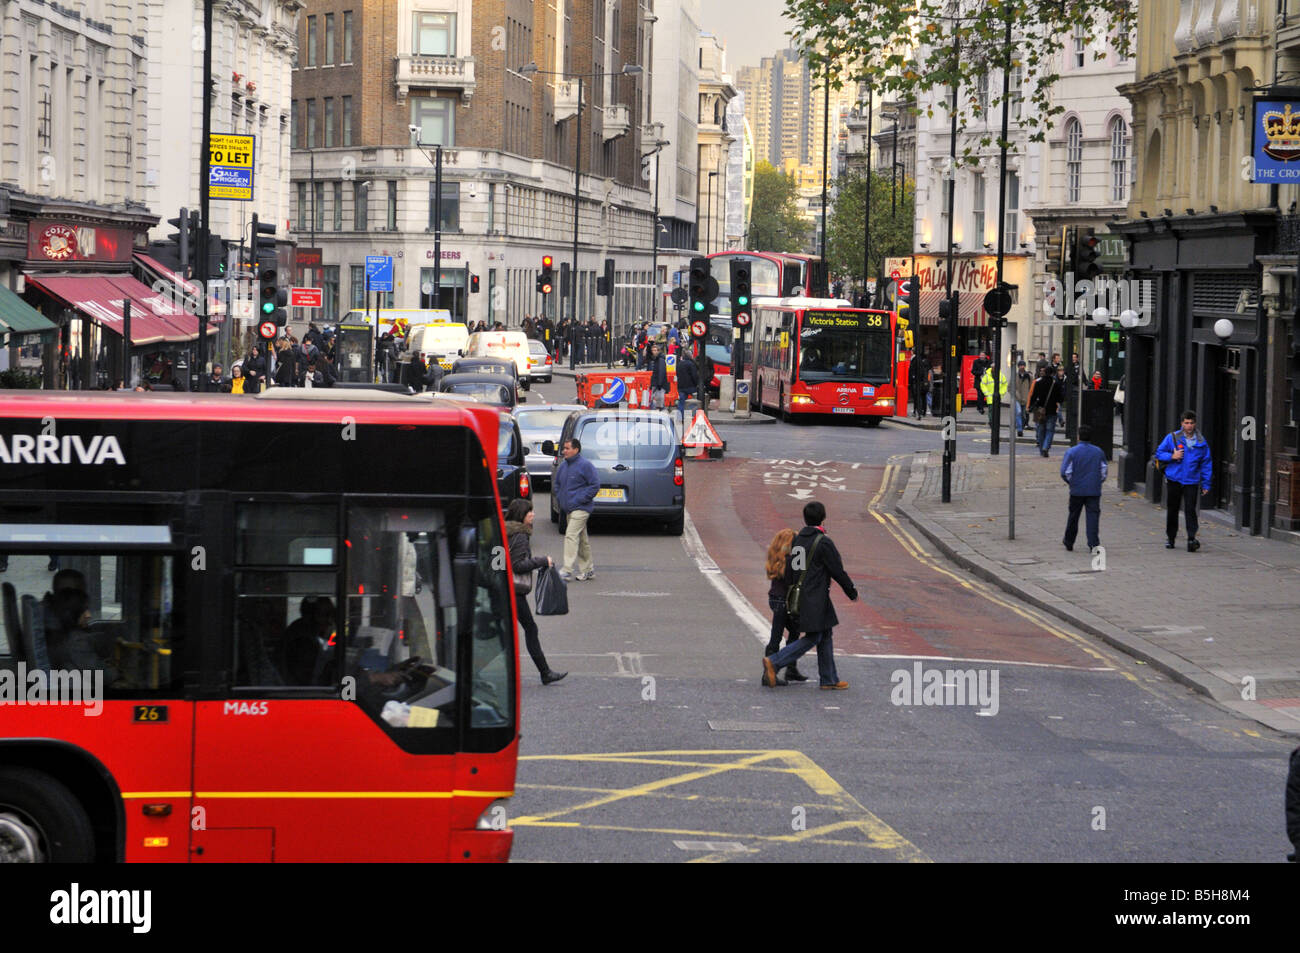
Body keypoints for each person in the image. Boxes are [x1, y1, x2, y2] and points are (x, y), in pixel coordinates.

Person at [761, 501, 858, 691]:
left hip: (801, 595)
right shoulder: (824, 542)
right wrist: (851, 590)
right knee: (814, 636)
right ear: (822, 517)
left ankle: (829, 678)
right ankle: (774, 662)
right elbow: (837, 570)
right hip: (816, 598)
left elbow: (796, 570)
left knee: (826, 633)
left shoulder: (798, 541)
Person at [505, 499, 566, 685]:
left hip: (502, 588)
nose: (533, 515)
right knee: (530, 628)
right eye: (529, 512)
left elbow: (498, 561)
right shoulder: (521, 536)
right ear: (521, 516)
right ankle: (545, 673)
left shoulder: (504, 531)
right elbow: (518, 565)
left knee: (500, 632)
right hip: (514, 592)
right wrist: (541, 561)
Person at [1155, 410, 1212, 551]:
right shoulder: (1172, 437)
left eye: (1192, 423)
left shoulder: (1201, 442)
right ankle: (1171, 538)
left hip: (1191, 481)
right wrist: (1172, 456)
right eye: (1186, 423)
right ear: (1182, 423)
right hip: (1174, 479)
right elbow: (1159, 453)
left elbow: (1206, 463)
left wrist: (1206, 483)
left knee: (1190, 510)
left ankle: (1191, 538)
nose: (1189, 426)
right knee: (1172, 510)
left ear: (1195, 423)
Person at [763, 529, 807, 683]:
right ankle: (770, 673)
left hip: (775, 598)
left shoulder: (776, 557)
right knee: (785, 635)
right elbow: (799, 578)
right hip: (785, 601)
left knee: (791, 633)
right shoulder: (791, 560)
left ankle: (790, 669)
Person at [553, 437, 598, 581]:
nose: (564, 451)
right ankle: (588, 569)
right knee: (582, 540)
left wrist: (579, 499)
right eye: (564, 448)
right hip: (569, 509)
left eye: (567, 448)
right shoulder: (563, 467)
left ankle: (567, 569)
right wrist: (561, 499)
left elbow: (594, 485)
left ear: (576, 449)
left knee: (571, 535)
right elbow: (557, 485)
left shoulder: (586, 465)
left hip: (581, 508)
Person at [1060, 423, 1107, 552]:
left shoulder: (1072, 452)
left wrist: (1072, 483)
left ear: (1078, 436)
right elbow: (1103, 471)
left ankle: (1069, 541)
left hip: (1077, 490)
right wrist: (1097, 482)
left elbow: (1065, 472)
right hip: (1093, 489)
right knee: (1093, 516)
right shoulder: (1098, 451)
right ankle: (1093, 543)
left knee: (1073, 516)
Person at [1026, 364, 1063, 457]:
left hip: (1039, 410)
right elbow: (1060, 398)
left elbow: (1033, 396)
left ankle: (1042, 449)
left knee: (1040, 430)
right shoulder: (1056, 384)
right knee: (1050, 430)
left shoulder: (1038, 383)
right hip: (1052, 410)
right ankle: (1046, 447)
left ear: (1044, 372)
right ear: (1052, 373)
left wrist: (1030, 406)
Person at [979, 360, 1008, 433]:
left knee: (997, 411)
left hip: (998, 397)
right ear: (991, 368)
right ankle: (991, 422)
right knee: (991, 411)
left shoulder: (1001, 375)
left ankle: (995, 422)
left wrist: (1001, 393)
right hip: (990, 397)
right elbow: (983, 384)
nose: (994, 368)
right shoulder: (987, 376)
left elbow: (1005, 384)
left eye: (996, 367)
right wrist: (987, 393)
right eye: (993, 367)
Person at [675, 348, 701, 424]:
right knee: (694, 401)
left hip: (681, 386)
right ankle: (693, 416)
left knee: (681, 402)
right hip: (690, 386)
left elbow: (677, 374)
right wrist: (696, 384)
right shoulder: (691, 364)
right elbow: (694, 376)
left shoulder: (679, 364)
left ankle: (680, 417)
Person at [1013, 359, 1033, 437]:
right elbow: (1010, 387)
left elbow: (1032, 387)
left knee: (1024, 415)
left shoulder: (1029, 376)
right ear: (1018, 367)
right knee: (1018, 413)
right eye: (1020, 365)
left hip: (1026, 398)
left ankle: (1021, 425)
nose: (1022, 367)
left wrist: (1030, 397)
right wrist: (1016, 394)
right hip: (1017, 398)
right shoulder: (1014, 375)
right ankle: (1020, 430)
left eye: (1023, 365)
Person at [647, 342, 669, 410]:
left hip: (658, 385)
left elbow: (661, 372)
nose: (654, 352)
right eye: (653, 350)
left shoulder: (660, 360)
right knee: (658, 402)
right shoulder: (657, 359)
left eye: (655, 350)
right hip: (657, 384)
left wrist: (659, 384)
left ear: (658, 351)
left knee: (658, 403)